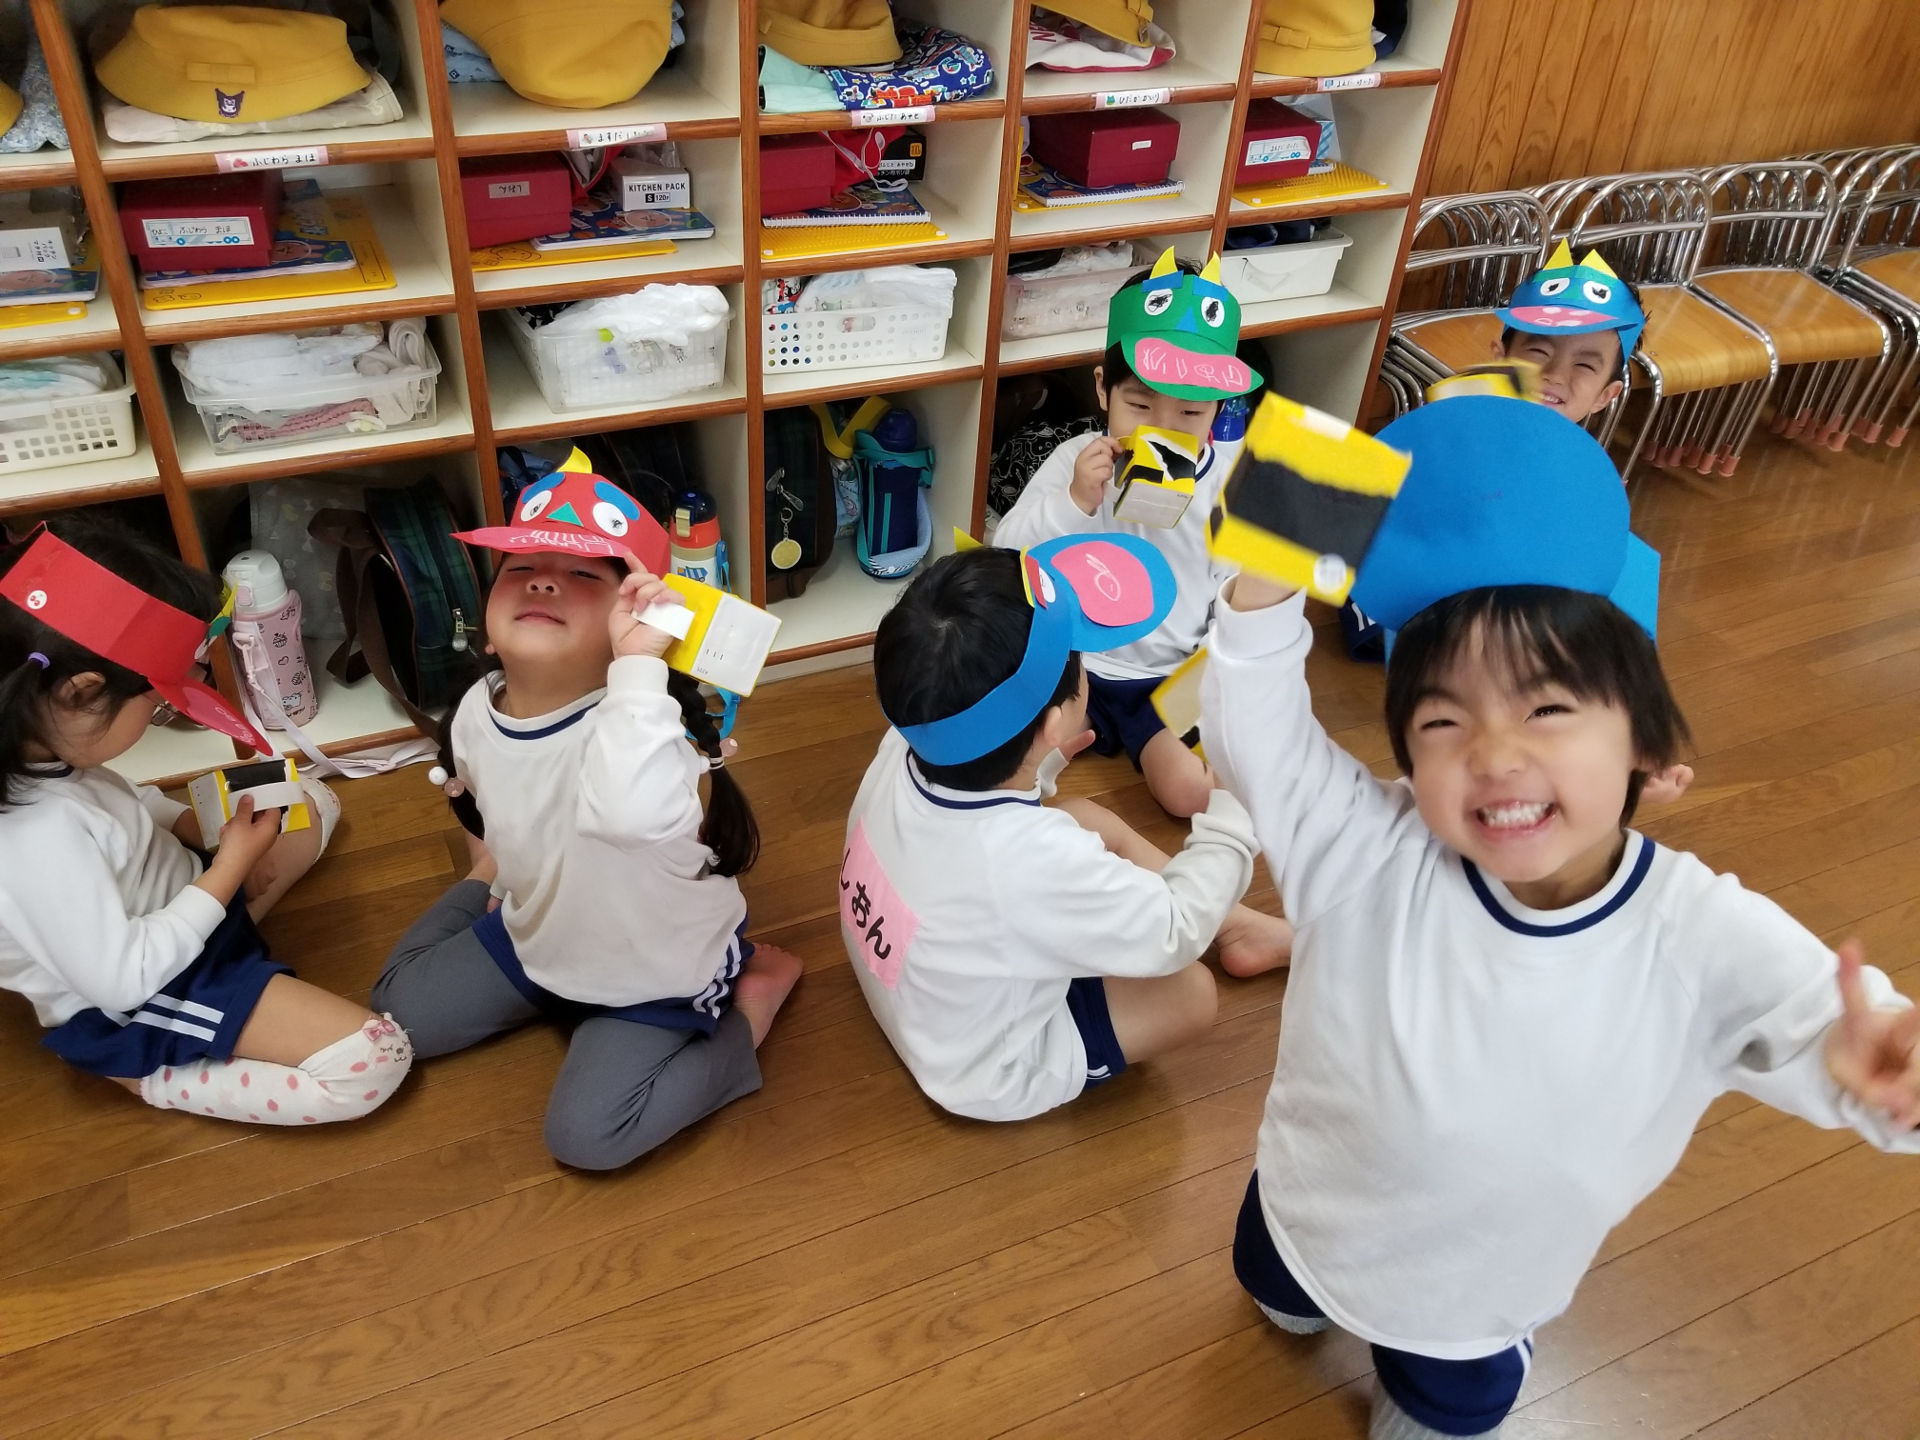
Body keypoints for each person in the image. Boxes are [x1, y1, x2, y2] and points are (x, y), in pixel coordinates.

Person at [1203, 395, 1920, 1440]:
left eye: (1546, 708)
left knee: (1437, 1417)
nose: (1495, 753)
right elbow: (1251, 726)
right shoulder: (1363, 846)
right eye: (1442, 720)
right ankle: (1297, 1291)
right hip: (1304, 1207)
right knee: (1275, 1295)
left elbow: (1838, 1032)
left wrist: (1889, 1067)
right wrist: (1280, 536)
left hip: (1476, 1301)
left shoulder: (1701, 936)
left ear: (1649, 754)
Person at [372, 463, 802, 1171]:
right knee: (399, 1012)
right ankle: (492, 886)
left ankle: (751, 1004)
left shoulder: (646, 728)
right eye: (521, 567)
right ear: (485, 628)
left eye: (583, 575)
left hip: (650, 973)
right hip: (538, 938)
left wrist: (641, 670)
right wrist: (503, 871)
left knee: (587, 1138)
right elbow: (491, 799)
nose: (544, 582)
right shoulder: (478, 706)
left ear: (633, 628)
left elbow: (628, 815)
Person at [842, 536, 1291, 1123]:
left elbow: (989, 847)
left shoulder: (913, 734)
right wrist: (1233, 805)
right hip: (980, 1067)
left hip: (916, 988)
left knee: (1084, 817)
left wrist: (1041, 765)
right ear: (1054, 723)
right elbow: (1176, 932)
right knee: (1191, 995)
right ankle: (1227, 926)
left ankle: (1237, 926)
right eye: (1079, 658)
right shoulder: (1029, 862)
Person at [0, 519, 410, 1124]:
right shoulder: (31, 842)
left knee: (308, 799)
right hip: (144, 993)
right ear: (80, 694)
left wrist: (199, 833)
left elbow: (130, 804)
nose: (163, 713)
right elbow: (124, 978)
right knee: (375, 1059)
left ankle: (225, 913)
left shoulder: (43, 750)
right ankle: (146, 1075)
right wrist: (231, 867)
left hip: (182, 900)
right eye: (156, 704)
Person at [996, 248, 1262, 818]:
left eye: (1189, 415)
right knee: (1008, 766)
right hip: (1074, 663)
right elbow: (1005, 553)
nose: (1162, 429)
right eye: (1140, 404)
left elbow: (1237, 594)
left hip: (1166, 680)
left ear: (1219, 409)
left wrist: (1216, 676)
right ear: (1103, 390)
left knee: (1190, 794)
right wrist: (1072, 502)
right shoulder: (1076, 460)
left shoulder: (1228, 484)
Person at [1490, 240, 1645, 423]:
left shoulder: (1578, 445)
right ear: (1500, 360)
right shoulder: (1462, 425)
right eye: (1539, 351)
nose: (1555, 375)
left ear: (1604, 395)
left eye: (1584, 365)